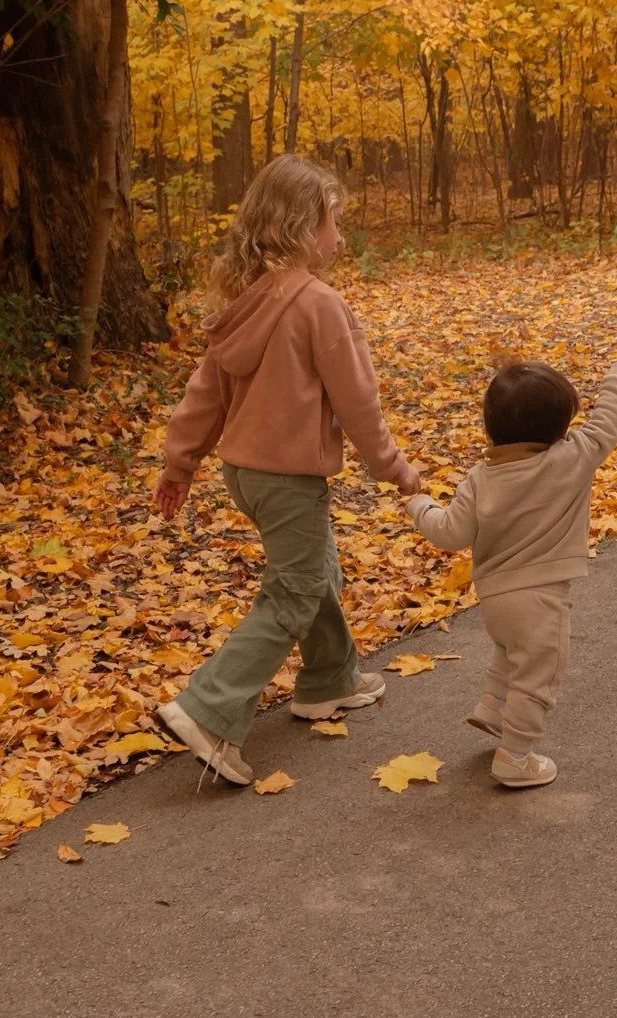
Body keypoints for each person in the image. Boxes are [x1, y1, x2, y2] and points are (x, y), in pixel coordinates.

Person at [151, 155, 421, 785]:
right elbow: (359, 403)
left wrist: (180, 462)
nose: (340, 237)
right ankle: (209, 709)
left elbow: (206, 394)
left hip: (245, 473)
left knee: (313, 565)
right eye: (333, 222)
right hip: (289, 477)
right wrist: (396, 470)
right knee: (296, 586)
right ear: (302, 227)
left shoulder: (246, 301)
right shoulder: (319, 306)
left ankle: (330, 679)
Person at [405, 352, 617, 789]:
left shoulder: (481, 476)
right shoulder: (573, 457)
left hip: (494, 598)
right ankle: (516, 756)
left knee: (510, 652)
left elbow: (451, 532)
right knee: (539, 673)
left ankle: (493, 708)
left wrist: (420, 505)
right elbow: (610, 418)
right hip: (541, 596)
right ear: (559, 427)